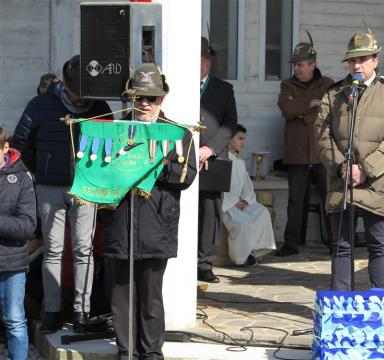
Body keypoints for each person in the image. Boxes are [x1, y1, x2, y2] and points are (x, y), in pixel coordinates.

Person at [101, 64, 197, 359]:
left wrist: (150, 161)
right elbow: (100, 172)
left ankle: (152, 353)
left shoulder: (178, 134)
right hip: (121, 223)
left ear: (162, 100)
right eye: (139, 97)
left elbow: (187, 175)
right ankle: (125, 350)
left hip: (157, 223)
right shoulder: (115, 131)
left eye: (151, 98)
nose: (144, 103)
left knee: (151, 296)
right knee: (120, 296)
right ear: (131, 98)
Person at [12, 55, 112, 334]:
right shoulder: (40, 104)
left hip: (86, 187)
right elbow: (22, 143)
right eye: (76, 91)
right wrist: (42, 170)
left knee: (84, 250)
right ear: (63, 85)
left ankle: (82, 312)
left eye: (85, 92)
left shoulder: (100, 107)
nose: (81, 97)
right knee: (53, 250)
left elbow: (111, 145)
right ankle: (52, 311)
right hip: (50, 186)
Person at [314, 29, 384, 290]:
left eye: (363, 59)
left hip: (377, 179)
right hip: (341, 177)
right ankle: (341, 306)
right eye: (352, 60)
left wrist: (366, 169)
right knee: (341, 246)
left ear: (375, 61)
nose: (357, 65)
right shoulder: (334, 94)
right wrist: (342, 167)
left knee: (378, 243)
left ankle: (379, 305)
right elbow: (322, 135)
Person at [276, 31, 334, 256]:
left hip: (322, 151)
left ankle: (335, 240)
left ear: (312, 64)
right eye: (295, 65)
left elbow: (330, 112)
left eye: (300, 65)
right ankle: (292, 242)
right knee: (295, 199)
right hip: (297, 151)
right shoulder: (287, 85)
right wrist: (311, 104)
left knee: (330, 195)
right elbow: (286, 110)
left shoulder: (327, 83)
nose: (296, 69)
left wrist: (302, 112)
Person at [198, 37, 238, 283]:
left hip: (213, 157)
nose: (201, 64)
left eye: (205, 59)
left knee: (210, 212)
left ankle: (204, 263)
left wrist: (209, 148)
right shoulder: (177, 85)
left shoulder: (224, 89)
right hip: (184, 155)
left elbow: (230, 124)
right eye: (197, 59)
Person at [0, 128, 37, 360]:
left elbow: (27, 226)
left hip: (11, 263)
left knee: (14, 320)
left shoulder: (22, 178)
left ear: (5, 148)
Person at [222, 125, 276, 266]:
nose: (243, 143)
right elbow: (220, 186)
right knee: (244, 224)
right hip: (228, 206)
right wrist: (234, 202)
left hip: (241, 203)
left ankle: (255, 250)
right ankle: (241, 258)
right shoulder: (223, 159)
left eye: (244, 139)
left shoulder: (239, 161)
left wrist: (246, 199)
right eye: (240, 138)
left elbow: (247, 185)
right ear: (229, 138)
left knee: (262, 212)